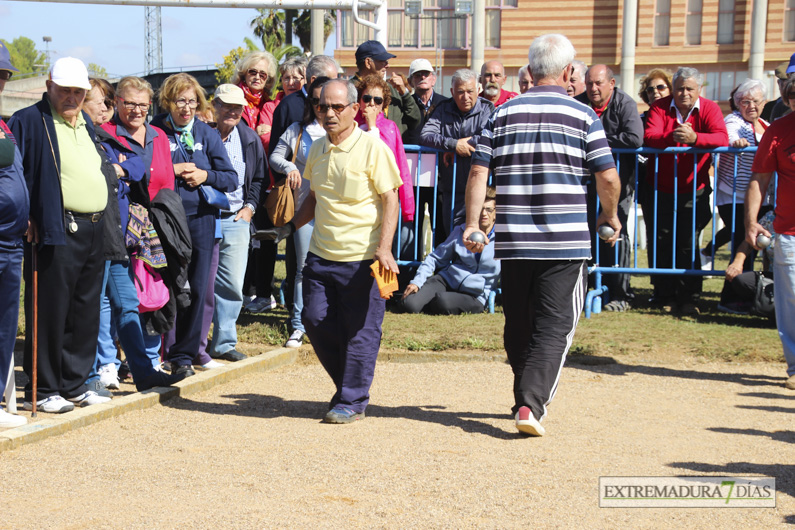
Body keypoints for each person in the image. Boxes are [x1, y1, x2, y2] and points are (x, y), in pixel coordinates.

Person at [463, 34, 621, 437]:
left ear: (530, 71)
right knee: (555, 323)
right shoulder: (585, 117)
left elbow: (479, 172)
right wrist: (611, 214)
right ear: (570, 73)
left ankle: (523, 397)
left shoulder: (501, 114)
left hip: (515, 238)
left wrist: (472, 223)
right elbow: (606, 175)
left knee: (519, 320)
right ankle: (530, 405)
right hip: (564, 241)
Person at [259, 79, 403, 423]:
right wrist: (288, 228)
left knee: (361, 330)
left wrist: (384, 248)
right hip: (321, 255)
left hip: (363, 259)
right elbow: (313, 197)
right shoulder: (317, 148)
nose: (330, 113)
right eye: (323, 106)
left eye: (338, 107)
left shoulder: (373, 148)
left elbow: (391, 200)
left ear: (355, 109)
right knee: (313, 318)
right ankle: (349, 386)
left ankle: (352, 399)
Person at [9, 57, 113, 412]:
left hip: (95, 226)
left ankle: (74, 382)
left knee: (84, 309)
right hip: (56, 226)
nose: (71, 96)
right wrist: (27, 217)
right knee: (50, 309)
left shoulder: (86, 122)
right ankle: (44, 387)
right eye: (65, 89)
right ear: (49, 84)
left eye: (78, 91)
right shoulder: (28, 120)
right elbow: (15, 175)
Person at [96, 76, 188, 391]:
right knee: (108, 299)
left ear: (150, 106)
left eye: (142, 104)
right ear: (116, 103)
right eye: (129, 103)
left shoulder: (160, 136)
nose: (136, 110)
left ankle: (146, 367)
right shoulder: (106, 133)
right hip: (116, 223)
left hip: (153, 226)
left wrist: (165, 223)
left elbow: (164, 182)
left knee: (144, 297)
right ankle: (106, 363)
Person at [151, 73, 238, 378]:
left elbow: (230, 178)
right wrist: (171, 170)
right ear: (168, 102)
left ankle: (185, 355)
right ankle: (164, 351)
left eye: (191, 101)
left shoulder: (206, 133)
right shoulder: (155, 129)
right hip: (166, 219)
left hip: (202, 219)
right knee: (170, 286)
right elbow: (145, 171)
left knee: (199, 288)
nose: (186, 108)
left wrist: (205, 175)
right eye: (179, 101)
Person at [643, 66, 728, 315]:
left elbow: (721, 138)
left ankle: (690, 296)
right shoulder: (660, 107)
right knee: (661, 242)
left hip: (695, 189)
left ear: (699, 89)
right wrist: (672, 137)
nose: (684, 93)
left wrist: (695, 139)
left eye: (689, 89)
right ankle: (664, 295)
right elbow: (650, 136)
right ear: (674, 88)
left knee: (688, 242)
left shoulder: (710, 108)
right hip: (660, 189)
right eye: (679, 88)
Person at [576, 64, 644, 312]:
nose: (594, 88)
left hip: (618, 184)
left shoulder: (625, 103)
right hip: (585, 184)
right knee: (586, 235)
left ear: (611, 84)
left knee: (616, 235)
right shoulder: (579, 102)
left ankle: (620, 293)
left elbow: (635, 138)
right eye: (590, 83)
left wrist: (596, 141)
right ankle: (586, 287)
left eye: (599, 83)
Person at [269, 76, 330, 348]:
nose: (322, 107)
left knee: (337, 268)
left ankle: (329, 323)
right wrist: (290, 168)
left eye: (327, 102)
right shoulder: (297, 129)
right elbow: (275, 155)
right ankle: (298, 325)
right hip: (304, 208)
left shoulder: (345, 131)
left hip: (335, 213)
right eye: (316, 101)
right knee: (304, 269)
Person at [207, 84, 265, 361]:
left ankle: (223, 343)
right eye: (226, 105)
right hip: (204, 218)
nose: (231, 111)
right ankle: (191, 344)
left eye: (237, 107)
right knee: (197, 284)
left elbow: (258, 179)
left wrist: (250, 208)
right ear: (215, 105)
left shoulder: (249, 138)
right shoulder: (199, 133)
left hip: (236, 218)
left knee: (231, 285)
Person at [746, 73, 795, 391]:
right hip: (789, 230)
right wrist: (751, 221)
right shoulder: (778, 130)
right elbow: (760, 178)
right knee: (791, 300)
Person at [702, 79, 770, 271]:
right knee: (744, 239)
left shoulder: (766, 125)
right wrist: (736, 142)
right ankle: (734, 295)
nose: (751, 106)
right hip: (734, 195)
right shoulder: (734, 120)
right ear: (738, 103)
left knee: (753, 244)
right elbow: (729, 134)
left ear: (764, 103)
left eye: (756, 101)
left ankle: (741, 292)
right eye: (745, 102)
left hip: (761, 195)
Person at [401, 186, 500, 315]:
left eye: (488, 209)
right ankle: (429, 300)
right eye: (480, 208)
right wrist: (417, 282)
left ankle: (436, 302)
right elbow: (435, 258)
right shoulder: (461, 231)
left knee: (443, 301)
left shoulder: (503, 238)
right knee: (409, 304)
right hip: (447, 281)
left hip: (476, 295)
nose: (483, 213)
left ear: (496, 213)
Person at [421, 68, 493, 241]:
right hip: (451, 190)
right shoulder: (443, 108)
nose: (465, 97)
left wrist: (463, 145)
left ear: (479, 89)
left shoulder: (486, 108)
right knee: (452, 238)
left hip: (480, 190)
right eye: (460, 92)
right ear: (452, 92)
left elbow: (488, 136)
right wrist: (453, 145)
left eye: (470, 91)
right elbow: (425, 136)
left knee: (477, 239)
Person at [354, 74, 415, 258]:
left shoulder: (390, 127)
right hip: (357, 198)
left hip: (383, 199)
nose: (371, 104)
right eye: (367, 98)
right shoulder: (351, 125)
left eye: (377, 100)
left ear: (384, 104)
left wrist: (407, 207)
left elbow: (395, 164)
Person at [0, 42, 28, 427]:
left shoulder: (4, 122)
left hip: (12, 240)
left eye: (3, 74)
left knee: (6, 324)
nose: (0, 80)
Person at [352, 40, 421, 135]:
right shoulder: (347, 90)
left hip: (392, 148)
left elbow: (415, 120)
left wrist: (404, 94)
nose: (387, 65)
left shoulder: (391, 88)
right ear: (368, 62)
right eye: (382, 61)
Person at [232, 51, 278, 152]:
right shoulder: (232, 100)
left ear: (268, 79)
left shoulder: (270, 106)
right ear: (244, 74)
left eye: (262, 75)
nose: (257, 77)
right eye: (253, 72)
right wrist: (255, 134)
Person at [261, 56, 306, 153]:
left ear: (305, 80)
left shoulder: (310, 106)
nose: (290, 83)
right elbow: (265, 140)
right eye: (286, 78)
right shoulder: (270, 107)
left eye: (295, 78)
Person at [402, 58, 448, 146]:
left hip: (439, 157)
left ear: (434, 79)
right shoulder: (404, 105)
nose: (422, 77)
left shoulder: (445, 103)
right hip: (411, 157)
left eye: (426, 74)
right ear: (410, 82)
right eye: (417, 75)